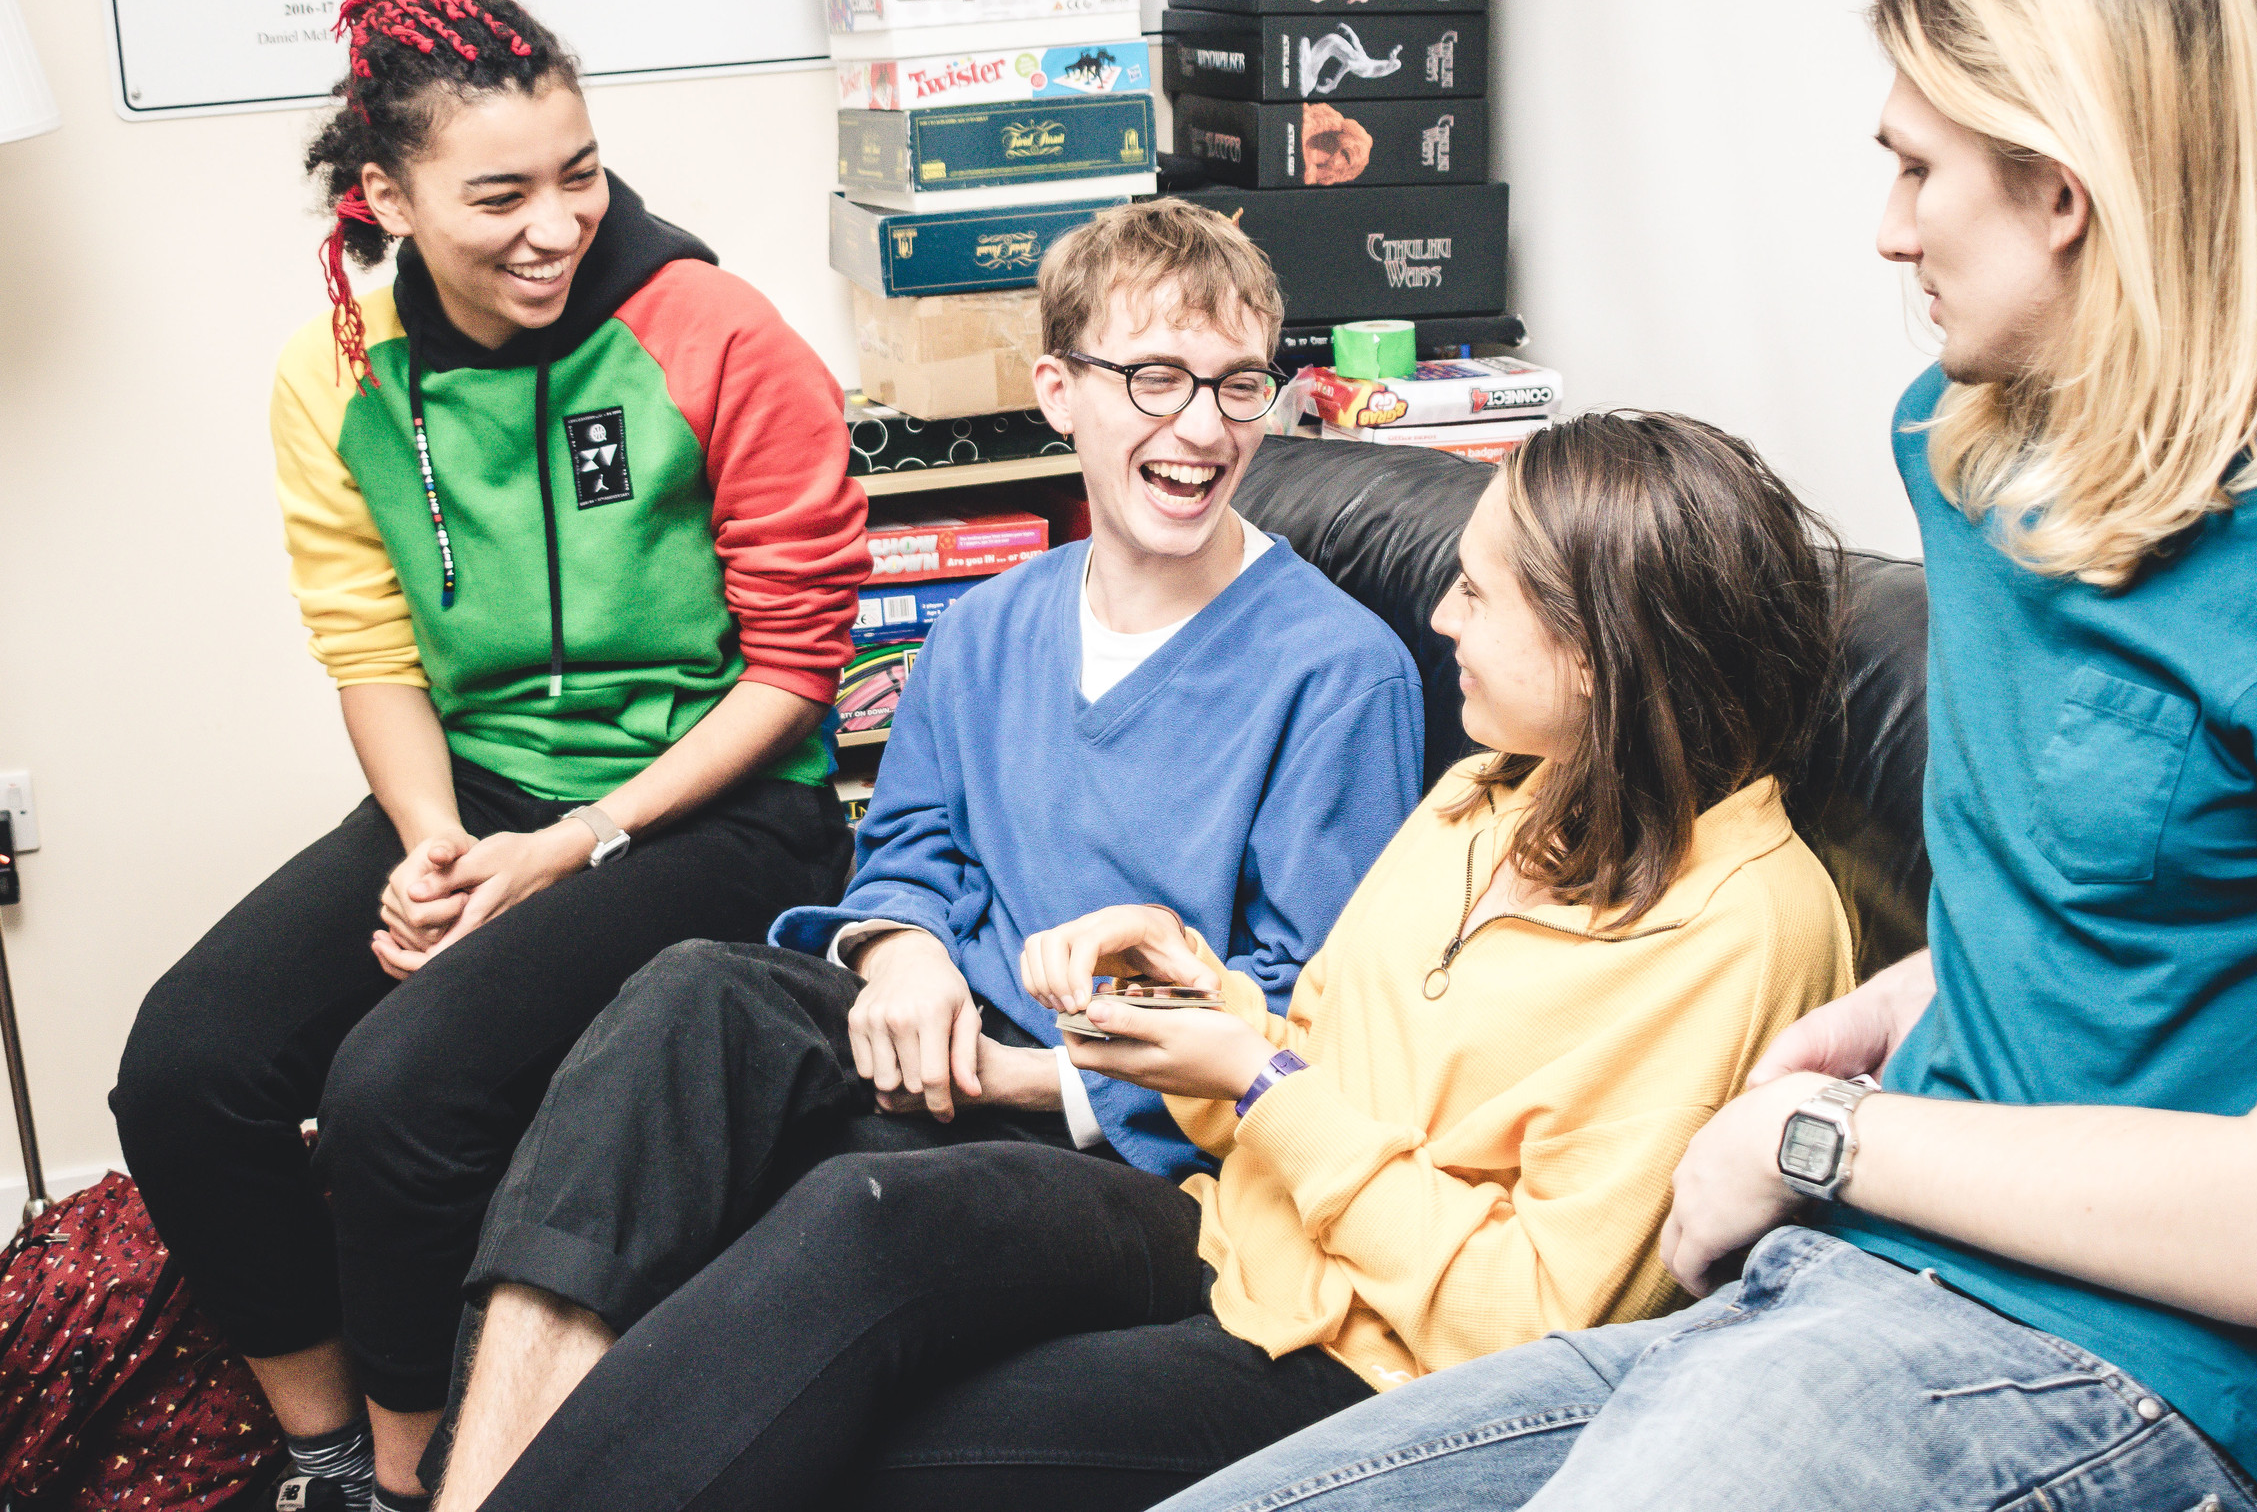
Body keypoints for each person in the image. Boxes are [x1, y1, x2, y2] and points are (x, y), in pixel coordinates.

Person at [1147, 0, 2257, 1512]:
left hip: (2158, 1379)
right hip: (1866, 1278)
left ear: (2065, 191)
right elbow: (2124, 911)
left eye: (1921, 171)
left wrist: (1815, 1138)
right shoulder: (1970, 444)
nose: (1889, 226)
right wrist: (1871, 1022)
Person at [435, 410, 1855, 1512]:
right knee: (862, 1211)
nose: (1441, 619)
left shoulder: (1749, 927)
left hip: (1359, 1364)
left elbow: (1532, 1317)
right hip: (1236, 1227)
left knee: (854, 1442)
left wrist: (1260, 1070)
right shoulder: (1501, 791)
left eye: (1480, 597)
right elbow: (1313, 1037)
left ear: (1603, 649)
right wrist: (1197, 992)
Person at [425, 198, 1432, 1508]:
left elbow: (1310, 1016)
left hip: (1150, 1167)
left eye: (1240, 384)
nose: (1202, 427)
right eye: (1158, 380)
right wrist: (903, 954)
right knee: (691, 995)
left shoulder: (1339, 674)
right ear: (1057, 391)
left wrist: (1026, 1074)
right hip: (944, 1051)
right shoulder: (990, 620)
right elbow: (907, 841)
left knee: (863, 1205)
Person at [107, 0, 864, 1512]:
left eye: (578, 177)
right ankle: (316, 1449)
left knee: (399, 1088)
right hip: (479, 788)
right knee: (186, 1067)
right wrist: (438, 840)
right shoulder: (336, 373)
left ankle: (409, 1477)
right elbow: (371, 641)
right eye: (498, 196)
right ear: (386, 197)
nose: (556, 226)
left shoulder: (716, 329)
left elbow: (795, 669)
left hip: (717, 810)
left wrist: (574, 844)